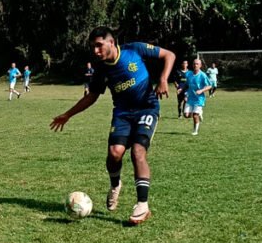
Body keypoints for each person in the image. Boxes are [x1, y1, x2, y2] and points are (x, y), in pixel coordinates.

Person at [50, 27, 175, 225]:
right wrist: (68, 114)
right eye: (93, 47)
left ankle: (142, 205)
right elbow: (91, 96)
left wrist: (163, 79)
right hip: (122, 114)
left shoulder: (134, 49)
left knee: (138, 151)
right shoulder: (101, 69)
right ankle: (115, 185)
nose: (96, 51)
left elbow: (169, 55)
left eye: (99, 45)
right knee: (114, 153)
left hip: (147, 108)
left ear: (111, 42)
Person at [184, 58, 212, 135]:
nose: (195, 65)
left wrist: (201, 90)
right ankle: (199, 113)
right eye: (194, 64)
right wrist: (182, 90)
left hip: (199, 98)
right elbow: (187, 84)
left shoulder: (203, 75)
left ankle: (195, 131)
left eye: (197, 64)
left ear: (200, 65)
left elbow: (209, 86)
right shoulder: (189, 74)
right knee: (186, 115)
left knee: (195, 115)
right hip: (190, 98)